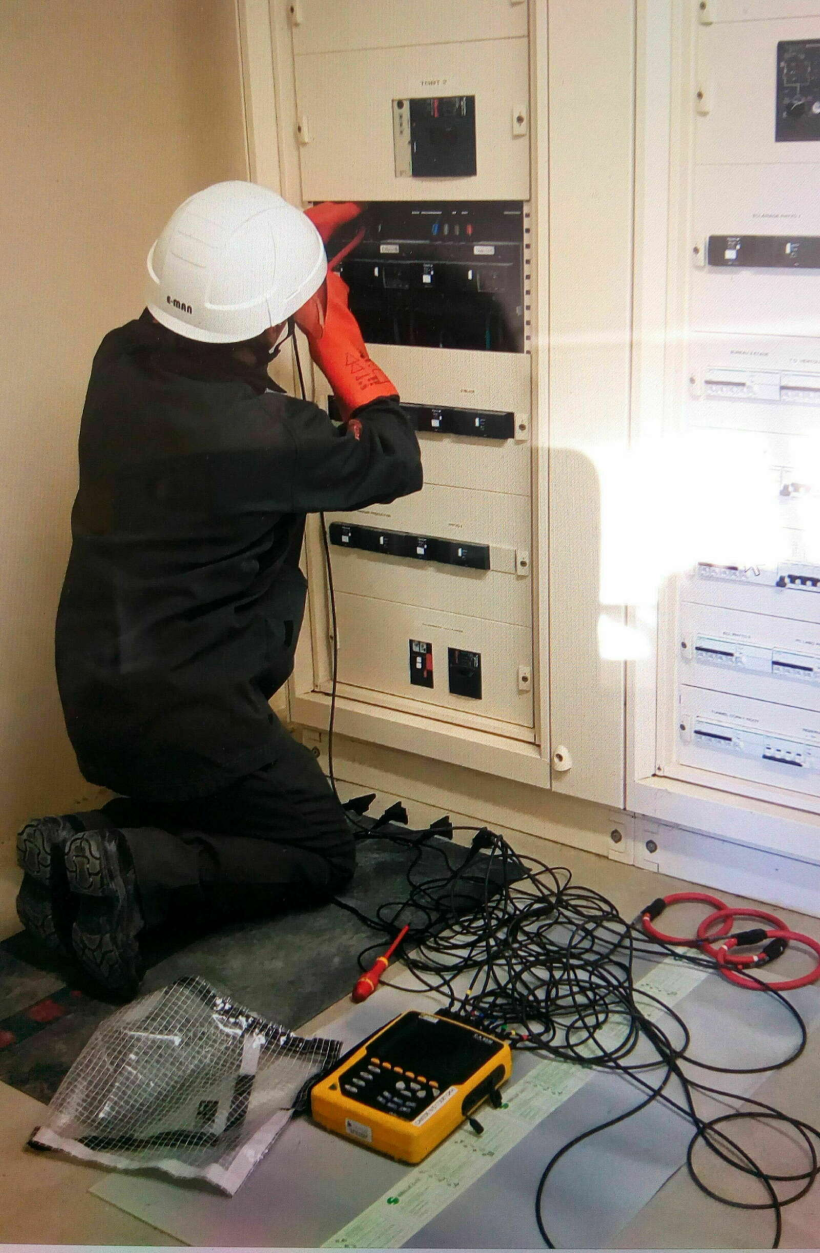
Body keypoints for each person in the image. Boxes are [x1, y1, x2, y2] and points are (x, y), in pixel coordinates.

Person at [15, 182, 422, 999]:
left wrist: (277, 252)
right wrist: (331, 328)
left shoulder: (116, 359)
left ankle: (76, 845)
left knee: (222, 801)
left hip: (95, 691)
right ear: (271, 323)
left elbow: (213, 318)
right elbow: (393, 456)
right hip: (191, 710)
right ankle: (132, 866)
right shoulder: (264, 434)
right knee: (318, 847)